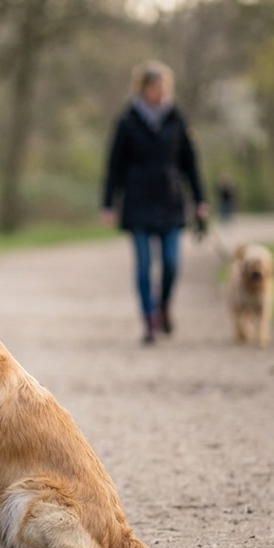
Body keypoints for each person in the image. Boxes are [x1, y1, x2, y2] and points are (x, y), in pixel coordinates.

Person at [100, 60, 208, 345]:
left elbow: (190, 163)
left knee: (171, 263)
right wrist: (108, 203)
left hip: (170, 201)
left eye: (164, 86)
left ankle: (163, 306)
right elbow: (114, 166)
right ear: (144, 88)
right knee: (144, 265)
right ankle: (149, 320)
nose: (160, 91)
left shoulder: (177, 119)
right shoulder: (127, 121)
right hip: (137, 202)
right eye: (155, 87)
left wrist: (200, 199)